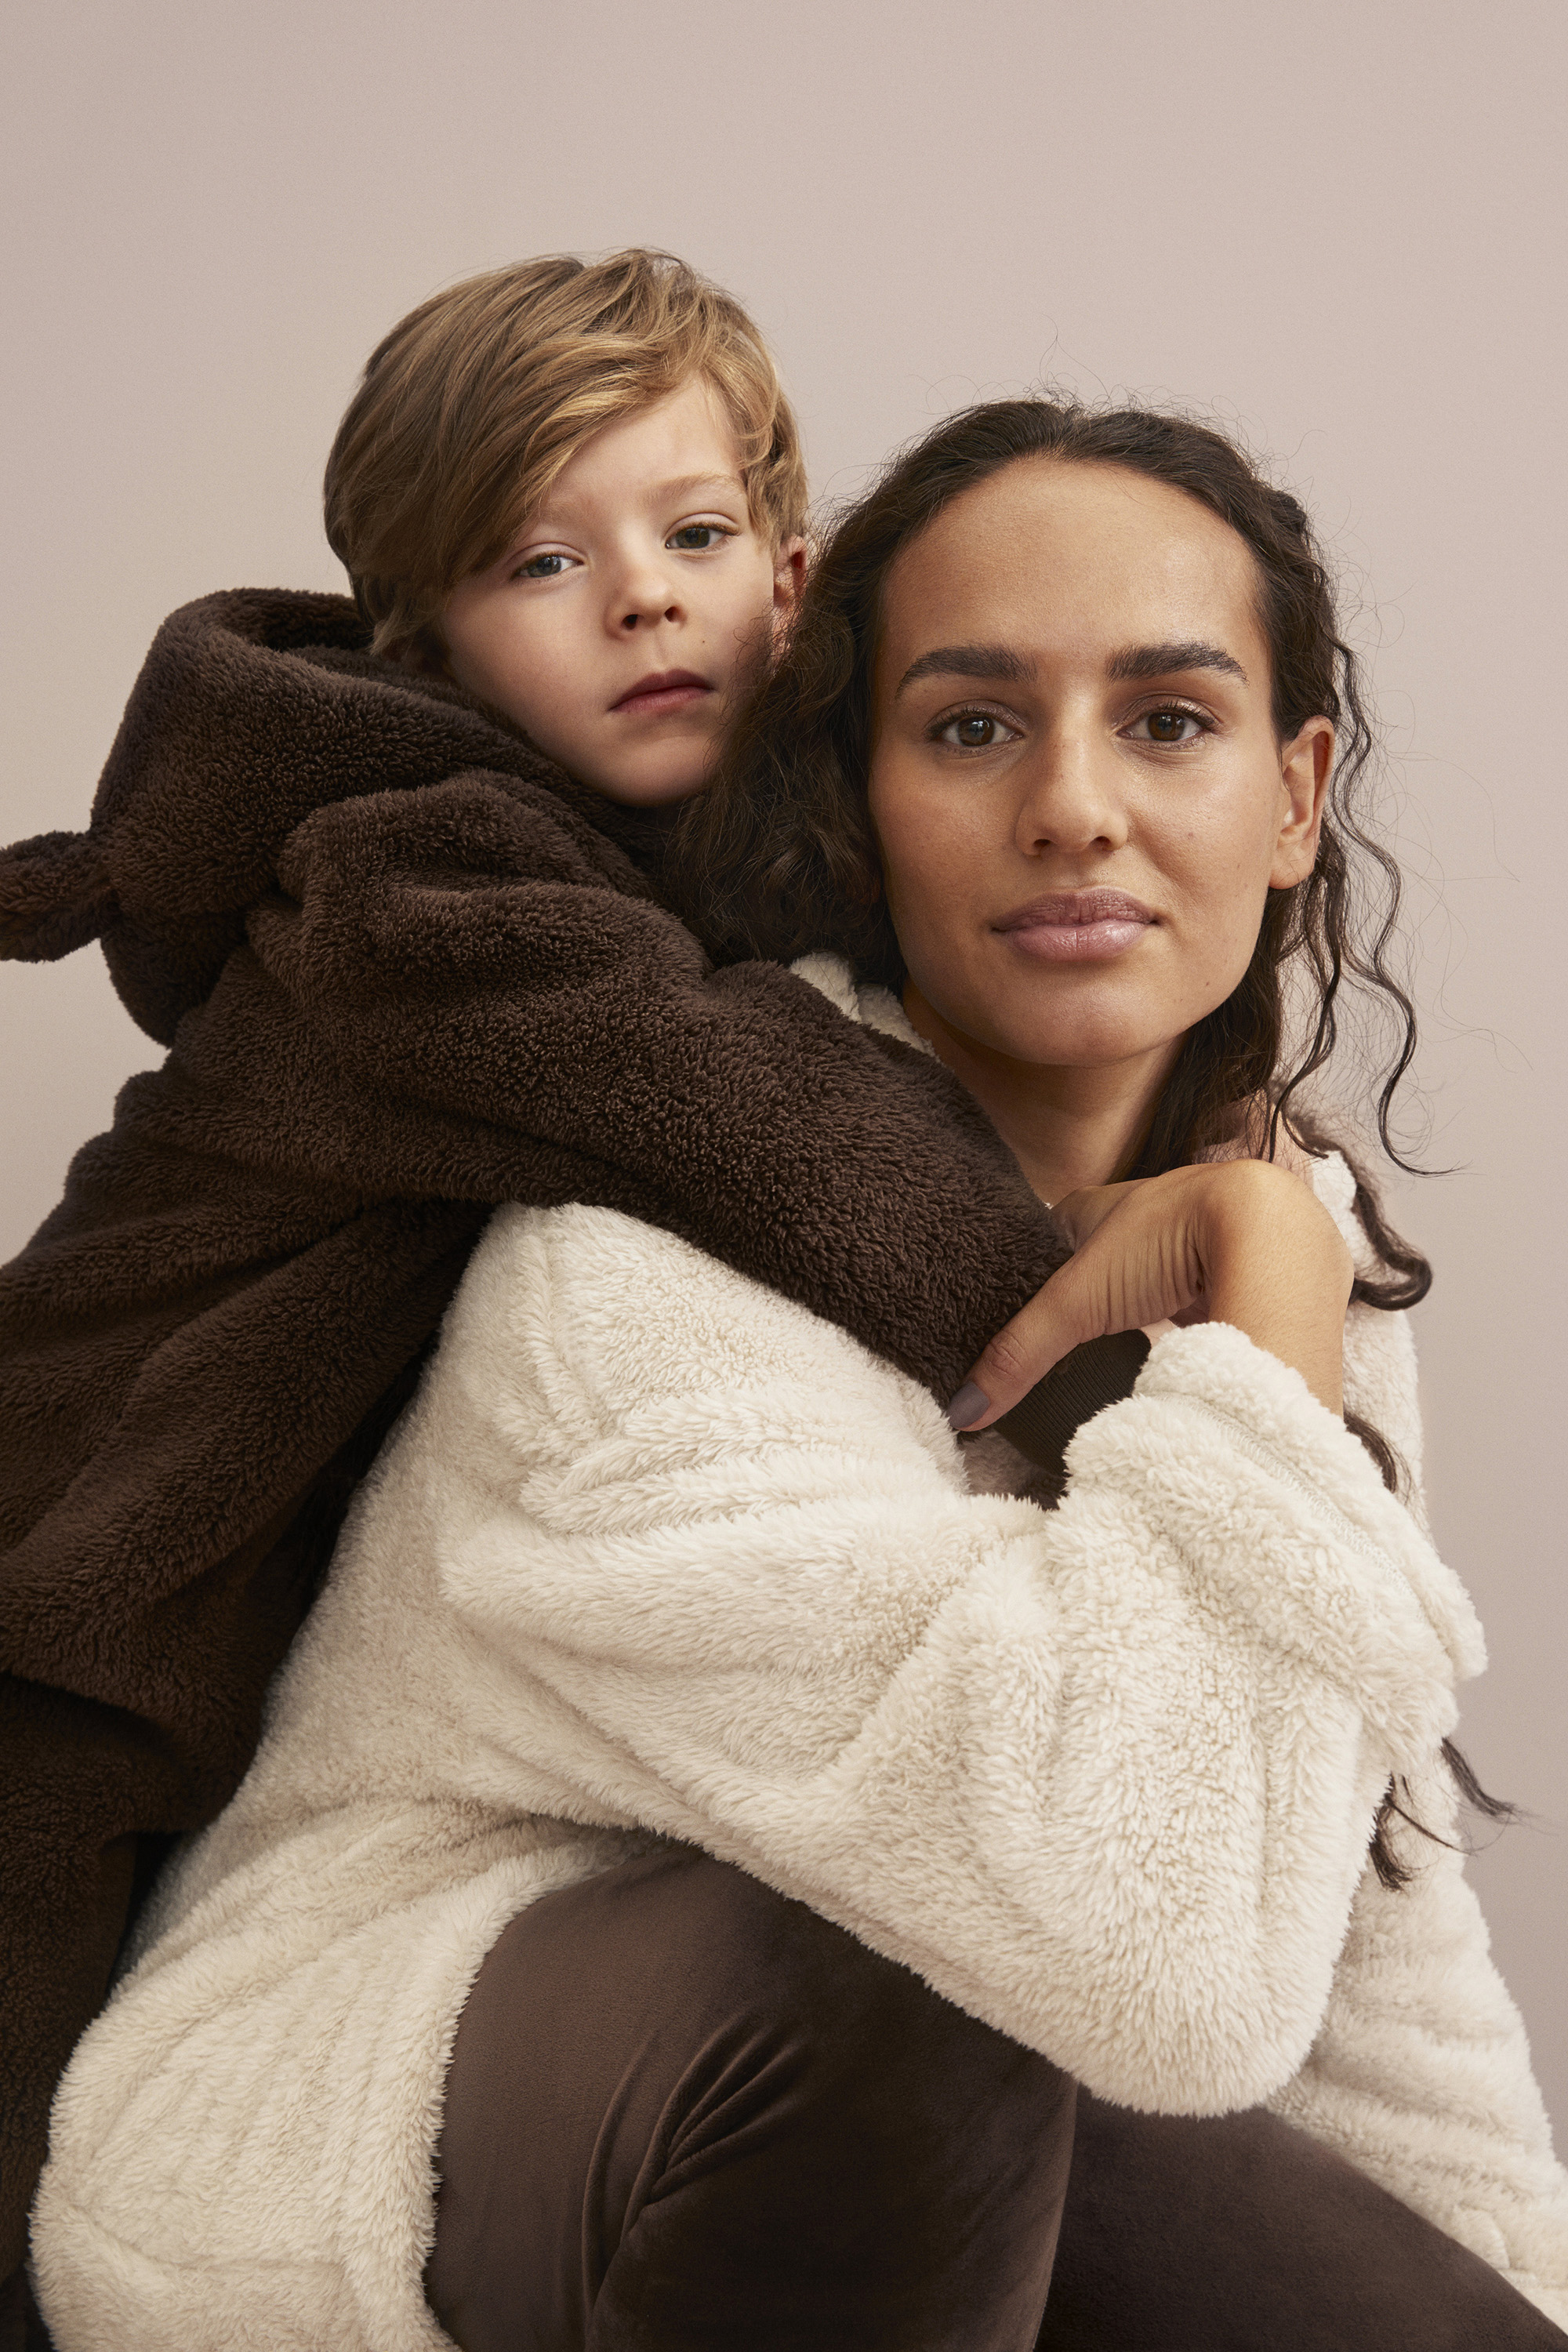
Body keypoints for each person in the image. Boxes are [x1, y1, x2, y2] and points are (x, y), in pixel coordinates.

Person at [28, 400, 1568, 2349]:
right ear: (857, 790)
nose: (1073, 808)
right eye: (971, 725)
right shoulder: (660, 1245)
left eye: (1169, 720)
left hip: (939, 2126)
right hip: (340, 2150)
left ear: (1293, 792)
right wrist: (1269, 1290)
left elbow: (1356, 1903)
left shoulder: (1276, 1226)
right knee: (918, 1984)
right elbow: (1156, 1951)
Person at [0, 252, 1097, 2332]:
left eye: (692, 537)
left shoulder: (694, 871)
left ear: (788, 573)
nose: (641, 602)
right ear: (433, 644)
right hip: (68, 1576)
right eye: (543, 561)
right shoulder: (416, 878)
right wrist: (1123, 1355)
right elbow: (764, 1116)